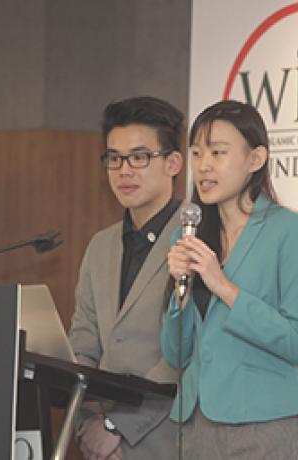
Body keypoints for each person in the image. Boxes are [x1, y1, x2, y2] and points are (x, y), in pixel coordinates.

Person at [162, 100, 298, 460]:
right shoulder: (189, 236)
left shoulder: (289, 230)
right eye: (197, 153)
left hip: (264, 424)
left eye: (217, 152)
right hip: (196, 423)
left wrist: (224, 288)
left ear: (256, 159)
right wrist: (180, 295)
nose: (203, 166)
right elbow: (176, 352)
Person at [69, 96, 184, 460]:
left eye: (139, 157)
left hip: (171, 442)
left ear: (173, 163)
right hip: (100, 448)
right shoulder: (100, 246)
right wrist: (89, 427)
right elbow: (82, 348)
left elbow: (185, 356)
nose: (124, 171)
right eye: (114, 158)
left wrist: (115, 428)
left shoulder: (202, 239)